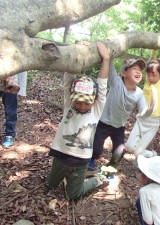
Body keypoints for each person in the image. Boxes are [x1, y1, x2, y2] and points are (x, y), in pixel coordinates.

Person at [46, 42, 110, 200]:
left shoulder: (96, 110)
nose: (81, 105)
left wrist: (106, 59)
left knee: (73, 196)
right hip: (60, 157)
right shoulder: (69, 105)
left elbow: (102, 86)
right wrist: (76, 51)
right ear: (72, 97)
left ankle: (96, 180)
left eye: (86, 102)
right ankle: (67, 180)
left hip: (80, 162)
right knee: (50, 185)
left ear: (94, 100)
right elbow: (69, 77)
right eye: (78, 101)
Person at [89, 56, 157, 171]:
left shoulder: (139, 94)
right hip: (103, 123)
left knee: (119, 153)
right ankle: (89, 162)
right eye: (134, 68)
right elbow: (109, 65)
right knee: (96, 150)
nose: (138, 72)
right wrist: (109, 54)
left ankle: (109, 170)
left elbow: (143, 112)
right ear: (124, 73)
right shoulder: (116, 82)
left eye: (140, 70)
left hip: (119, 127)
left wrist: (152, 107)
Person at [125, 31, 160, 158]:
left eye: (154, 74)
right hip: (142, 118)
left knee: (137, 152)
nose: (150, 77)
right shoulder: (147, 82)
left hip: (153, 123)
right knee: (129, 147)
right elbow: (151, 60)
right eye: (149, 74)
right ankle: (146, 153)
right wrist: (155, 47)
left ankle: (151, 154)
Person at [1, 72, 27, 148]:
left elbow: (22, 68)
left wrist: (22, 90)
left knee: (10, 111)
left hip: (11, 83)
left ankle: (10, 135)